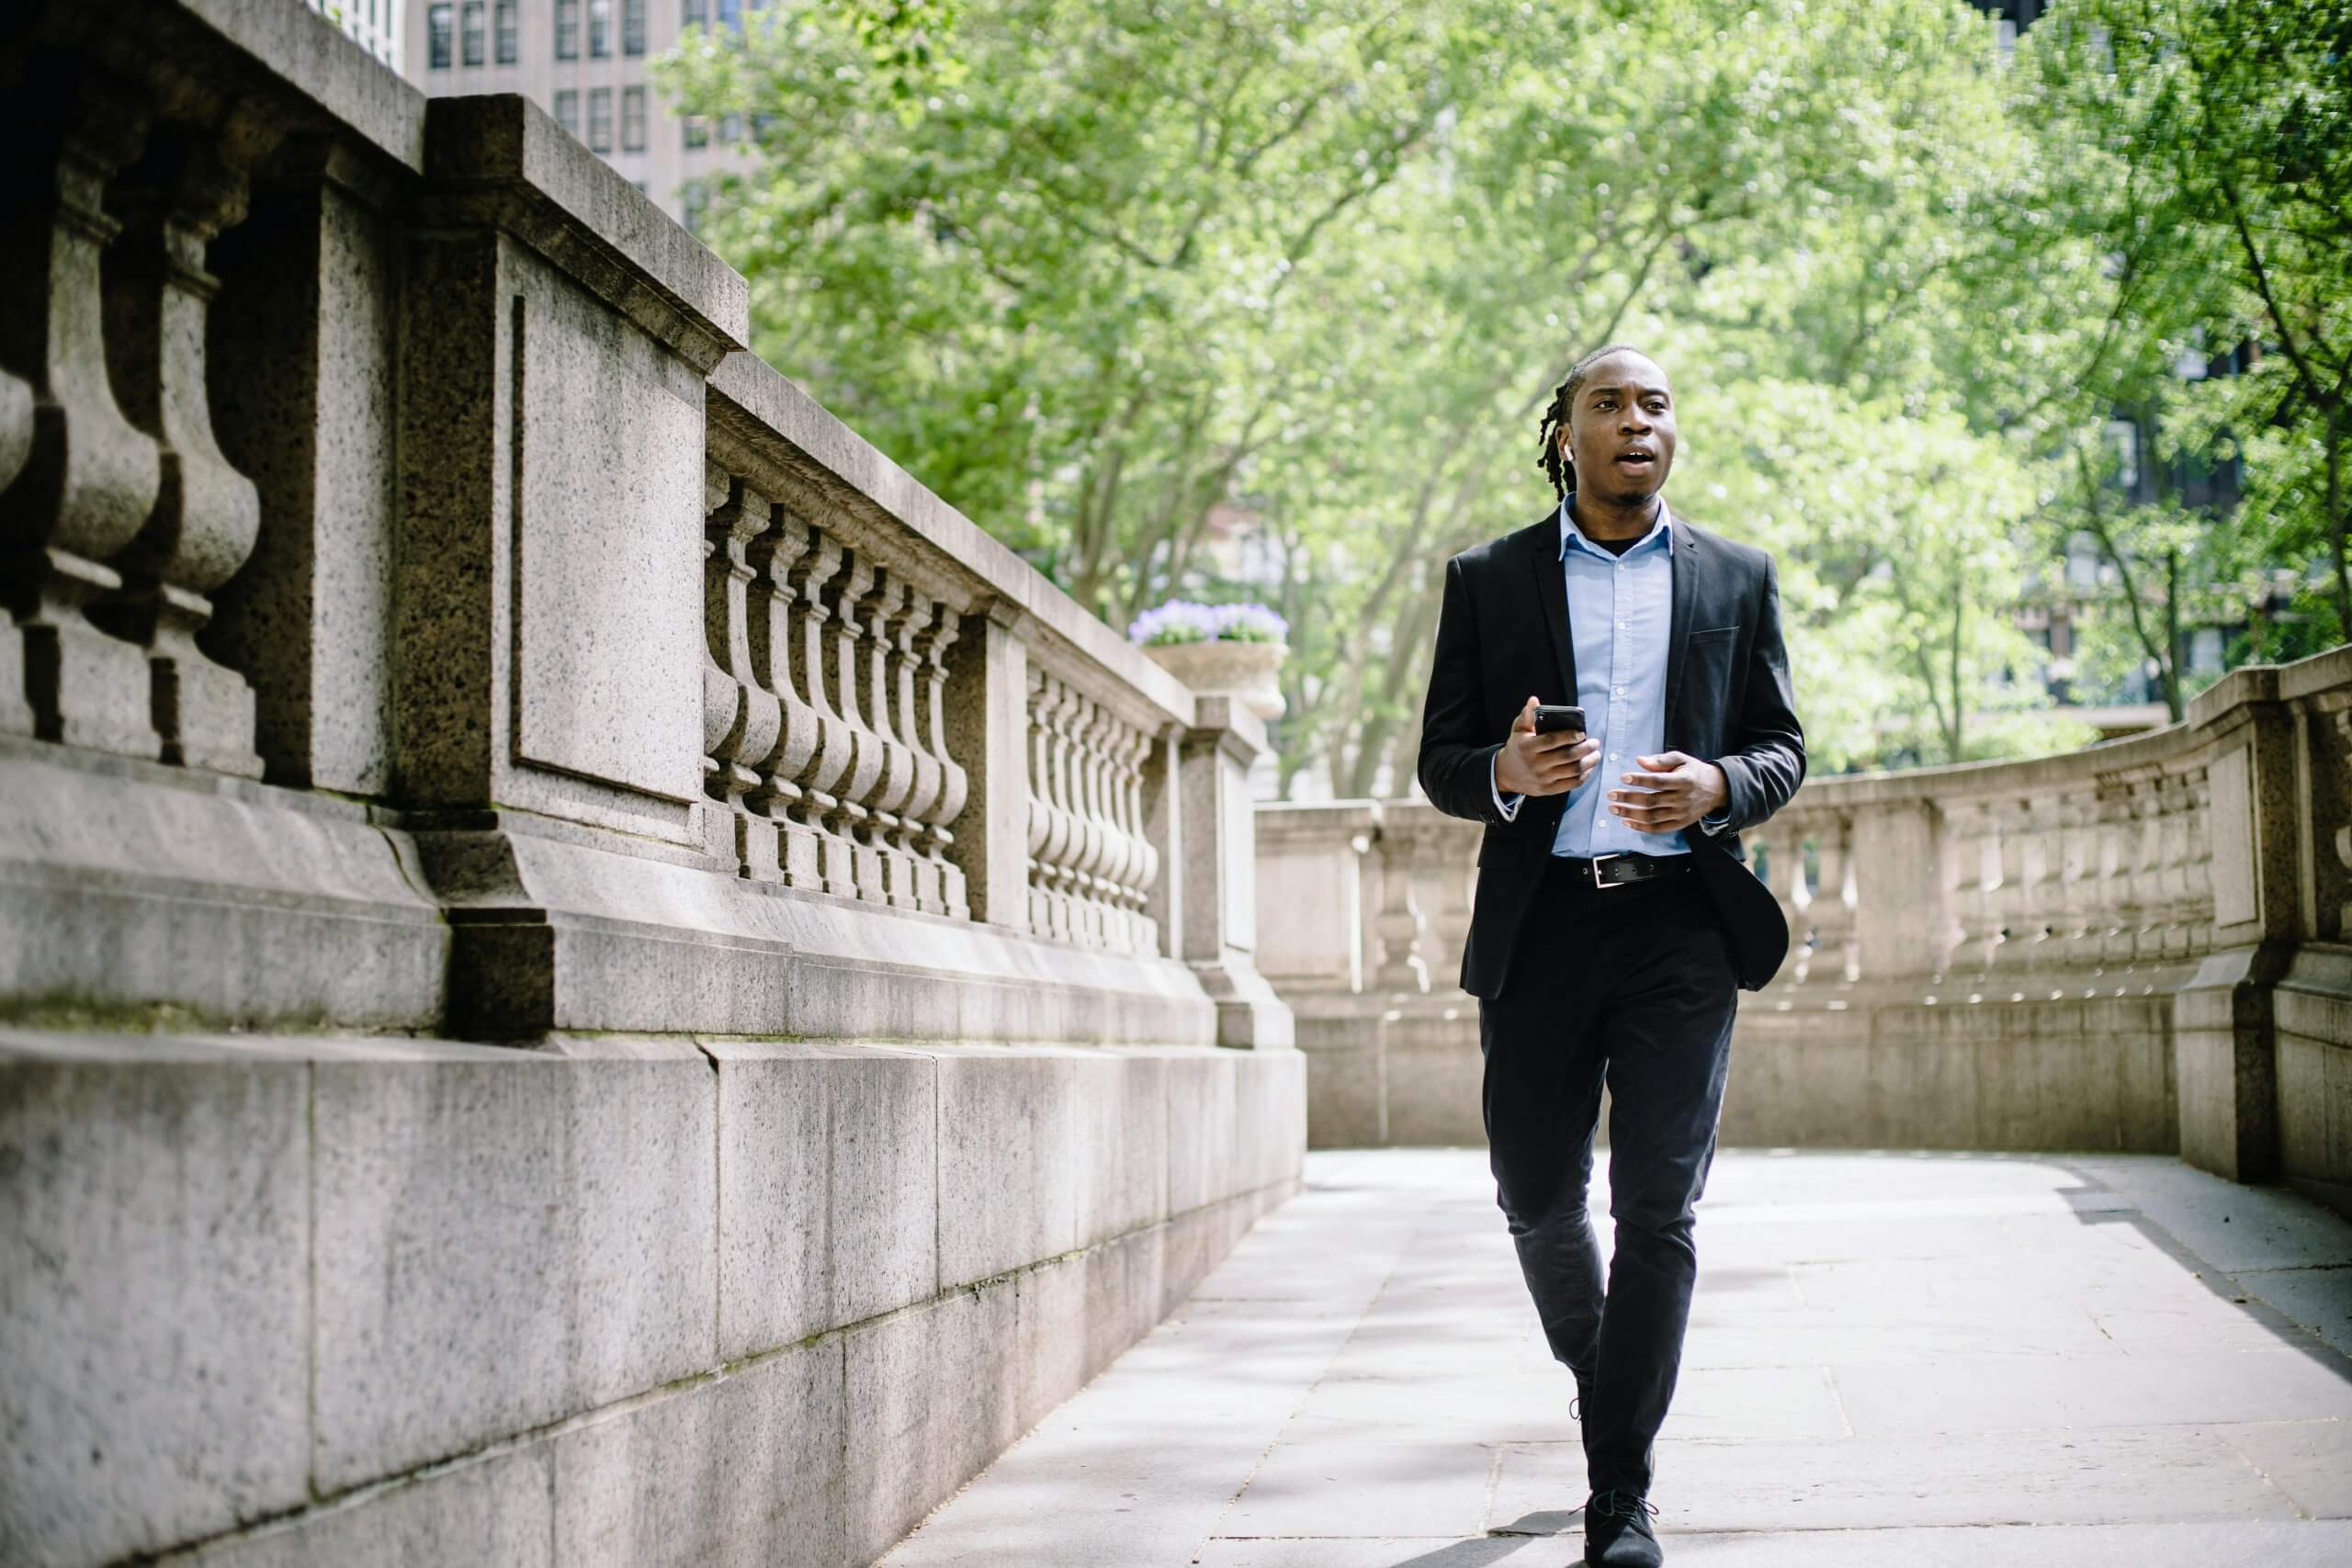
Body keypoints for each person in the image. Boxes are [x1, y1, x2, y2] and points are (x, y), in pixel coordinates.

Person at [1414, 345, 1804, 1566]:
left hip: (1682, 926)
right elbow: (1442, 761)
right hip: (1542, 929)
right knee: (1535, 1190)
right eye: (1608, 405)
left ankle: (1619, 1493)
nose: (1636, 421)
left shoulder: (1739, 578)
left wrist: (1718, 784)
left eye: (1654, 404)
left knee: (1659, 1210)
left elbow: (1783, 749)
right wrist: (1506, 776)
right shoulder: (1490, 579)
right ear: (1565, 437)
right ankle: (1609, 1384)